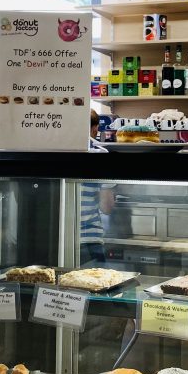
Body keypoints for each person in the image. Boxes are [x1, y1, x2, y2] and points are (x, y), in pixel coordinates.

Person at [80, 111, 114, 264]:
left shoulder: (53, 148)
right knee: (96, 278)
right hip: (89, 238)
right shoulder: (101, 153)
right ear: (95, 128)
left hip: (55, 236)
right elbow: (106, 207)